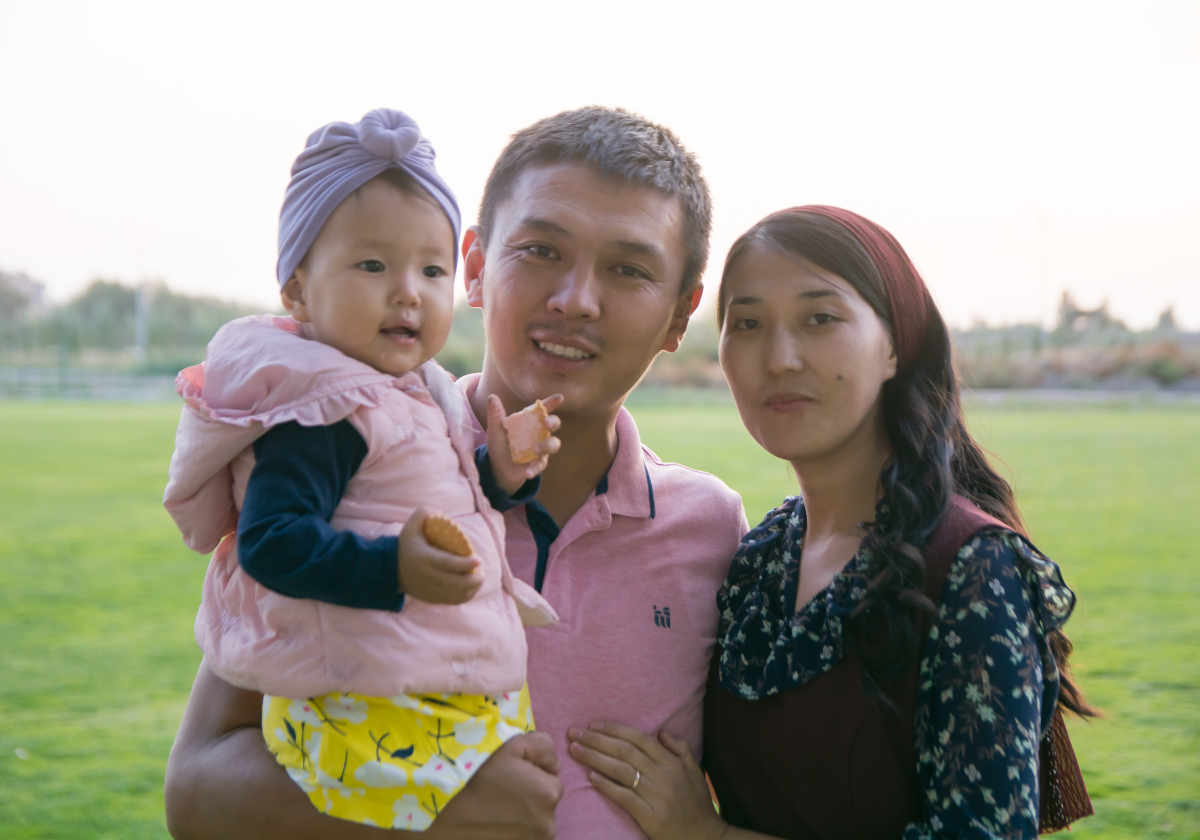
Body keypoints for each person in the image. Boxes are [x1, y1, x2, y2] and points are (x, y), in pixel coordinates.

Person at [163, 107, 749, 840]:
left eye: (629, 269)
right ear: (474, 267)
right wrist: (430, 826)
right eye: (540, 250)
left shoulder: (713, 530)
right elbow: (197, 788)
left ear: (678, 316)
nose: (576, 298)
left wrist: (708, 830)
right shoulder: (363, 459)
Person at [566, 206, 1096, 840]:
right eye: (749, 323)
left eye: (820, 318)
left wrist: (704, 835)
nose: (780, 357)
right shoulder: (759, 558)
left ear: (896, 344)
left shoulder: (970, 567)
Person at [162, 108, 564, 830]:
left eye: (430, 268)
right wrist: (392, 568)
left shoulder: (406, 391)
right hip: (364, 700)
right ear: (297, 291)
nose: (408, 290)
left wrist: (499, 471)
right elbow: (271, 541)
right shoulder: (323, 413)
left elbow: (418, 487)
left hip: (415, 680)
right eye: (373, 265)